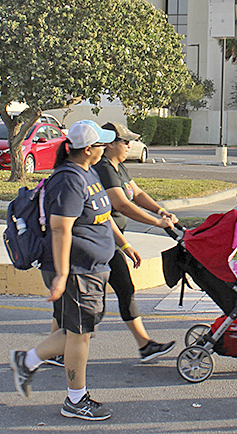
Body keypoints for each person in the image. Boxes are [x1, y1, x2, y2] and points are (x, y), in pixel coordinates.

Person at [9, 120, 118, 421]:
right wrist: (61, 274)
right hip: (76, 271)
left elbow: (102, 216)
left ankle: (26, 360)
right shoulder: (69, 179)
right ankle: (75, 400)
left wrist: (121, 243)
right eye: (100, 144)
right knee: (79, 335)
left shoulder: (87, 171)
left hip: (91, 267)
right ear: (87, 150)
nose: (105, 148)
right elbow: (60, 228)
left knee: (77, 332)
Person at [93, 121, 177, 363]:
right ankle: (55, 348)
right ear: (109, 144)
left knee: (119, 291)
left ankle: (145, 345)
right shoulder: (103, 169)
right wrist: (156, 222)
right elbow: (120, 204)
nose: (130, 145)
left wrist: (161, 211)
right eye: (124, 141)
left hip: (111, 240)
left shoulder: (118, 168)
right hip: (98, 241)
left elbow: (136, 194)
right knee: (93, 298)